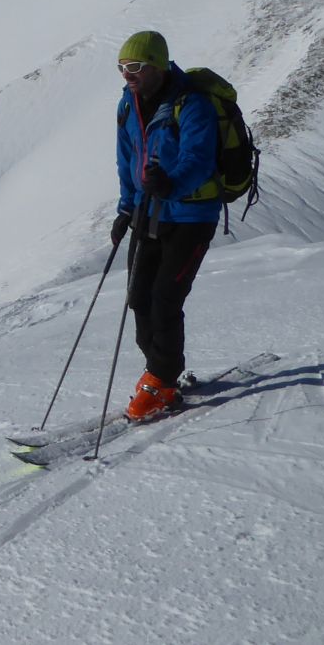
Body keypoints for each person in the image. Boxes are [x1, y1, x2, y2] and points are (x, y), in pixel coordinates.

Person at [111, 30, 221, 421]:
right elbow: (127, 160)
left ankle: (161, 380)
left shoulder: (192, 104)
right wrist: (126, 209)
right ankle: (161, 371)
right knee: (139, 297)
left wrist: (172, 183)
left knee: (164, 299)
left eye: (136, 66)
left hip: (192, 215)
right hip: (149, 213)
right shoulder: (130, 106)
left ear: (158, 65)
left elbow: (200, 157)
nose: (128, 74)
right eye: (123, 67)